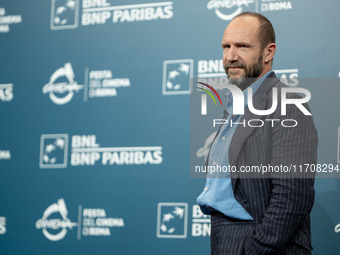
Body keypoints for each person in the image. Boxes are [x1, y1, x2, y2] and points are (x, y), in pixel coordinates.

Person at [196, 12, 318, 255]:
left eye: (242, 46)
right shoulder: (235, 104)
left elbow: (293, 195)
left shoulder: (287, 103)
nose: (230, 56)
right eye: (226, 46)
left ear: (268, 52)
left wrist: (255, 247)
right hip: (224, 237)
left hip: (260, 243)